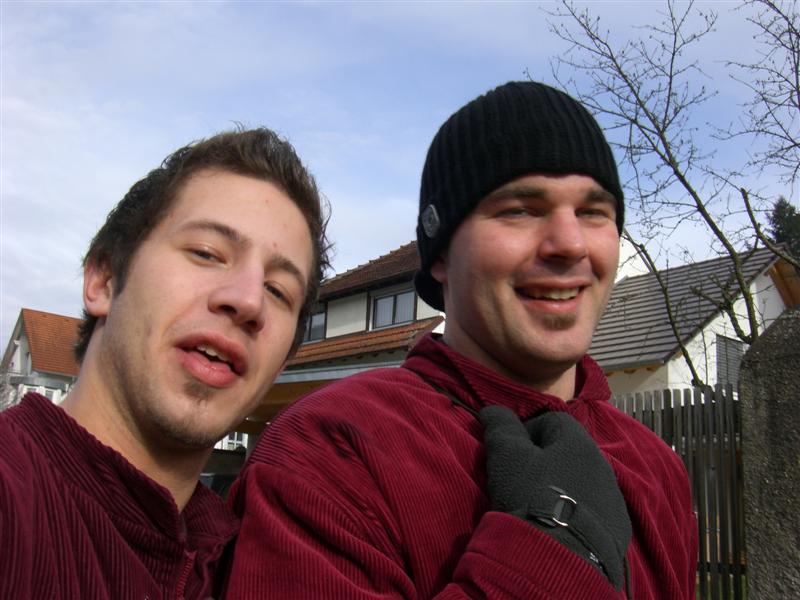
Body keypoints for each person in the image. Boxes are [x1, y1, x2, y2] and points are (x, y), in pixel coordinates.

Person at [224, 82, 697, 599]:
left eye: (593, 212)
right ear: (441, 255)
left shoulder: (658, 470)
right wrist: (550, 560)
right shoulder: (330, 449)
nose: (570, 243)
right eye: (520, 209)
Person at [0, 127, 329, 599]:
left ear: (280, 366)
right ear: (104, 280)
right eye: (206, 253)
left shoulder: (263, 566)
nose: (248, 301)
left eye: (278, 291)